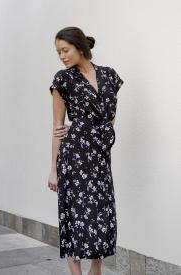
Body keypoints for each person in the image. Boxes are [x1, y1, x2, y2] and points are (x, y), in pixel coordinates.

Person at [48, 26, 124, 275]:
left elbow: (109, 118)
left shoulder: (110, 75)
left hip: (100, 158)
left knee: (101, 217)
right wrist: (53, 170)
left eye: (65, 50)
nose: (62, 56)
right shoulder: (62, 79)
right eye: (58, 52)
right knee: (75, 219)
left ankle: (96, 270)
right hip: (74, 159)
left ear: (80, 47)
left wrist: (92, 131)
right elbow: (58, 127)